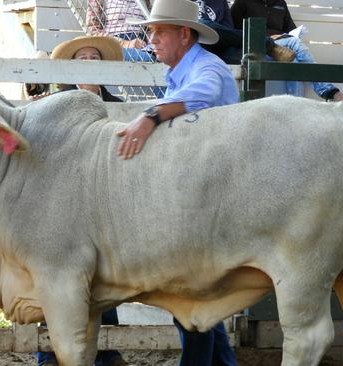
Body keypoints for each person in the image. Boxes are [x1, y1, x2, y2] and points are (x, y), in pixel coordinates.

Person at [118, 0, 239, 363]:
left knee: (190, 294)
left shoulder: (207, 69)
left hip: (212, 195)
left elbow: (201, 95)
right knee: (191, 294)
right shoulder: (182, 71)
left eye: (159, 32)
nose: (150, 39)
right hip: (196, 192)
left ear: (184, 34)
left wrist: (150, 116)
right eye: (150, 31)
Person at [34, 35, 131, 366]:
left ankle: (107, 349)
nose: (89, 61)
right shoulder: (52, 103)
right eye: (82, 56)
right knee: (57, 274)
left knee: (105, 274)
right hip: (62, 202)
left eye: (95, 56)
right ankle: (48, 352)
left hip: (107, 199)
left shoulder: (119, 104)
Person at [230, 0, 343, 101]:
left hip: (281, 48)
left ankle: (295, 105)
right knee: (294, 43)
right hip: (258, 47)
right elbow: (235, 33)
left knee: (294, 61)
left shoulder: (280, 3)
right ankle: (330, 92)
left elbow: (290, 30)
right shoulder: (242, 3)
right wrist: (268, 38)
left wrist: (288, 35)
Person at [192, 0, 295, 64]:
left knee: (258, 58)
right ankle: (266, 44)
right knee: (202, 25)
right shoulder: (183, 2)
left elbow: (229, 31)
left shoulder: (220, 2)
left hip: (218, 49)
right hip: (193, 47)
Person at [86, 0, 156, 63]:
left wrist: (151, 44)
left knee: (157, 57)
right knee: (147, 58)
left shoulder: (144, 1)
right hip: (114, 44)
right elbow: (93, 30)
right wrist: (124, 43)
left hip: (142, 44)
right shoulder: (99, 1)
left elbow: (151, 28)